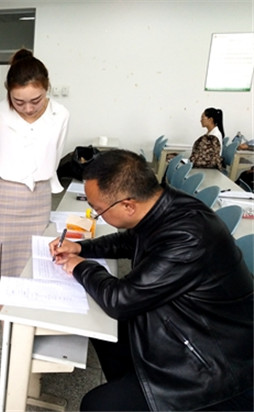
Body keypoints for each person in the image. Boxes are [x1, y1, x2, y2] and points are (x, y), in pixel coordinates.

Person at [50, 150, 253, 411]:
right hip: (180, 325)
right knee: (103, 329)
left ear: (128, 205)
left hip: (211, 363)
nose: (96, 215)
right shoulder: (164, 205)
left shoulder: (189, 237)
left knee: (97, 406)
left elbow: (119, 300)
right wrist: (81, 248)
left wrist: (80, 266)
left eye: (98, 211)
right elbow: (129, 240)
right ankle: (133, 385)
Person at [0, 48, 70, 286]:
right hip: (5, 193)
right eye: (18, 102)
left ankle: (29, 293)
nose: (28, 108)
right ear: (8, 92)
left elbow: (56, 152)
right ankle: (3, 295)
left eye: (36, 100)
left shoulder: (61, 114)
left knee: (35, 247)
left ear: (47, 87)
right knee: (3, 246)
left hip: (39, 194)